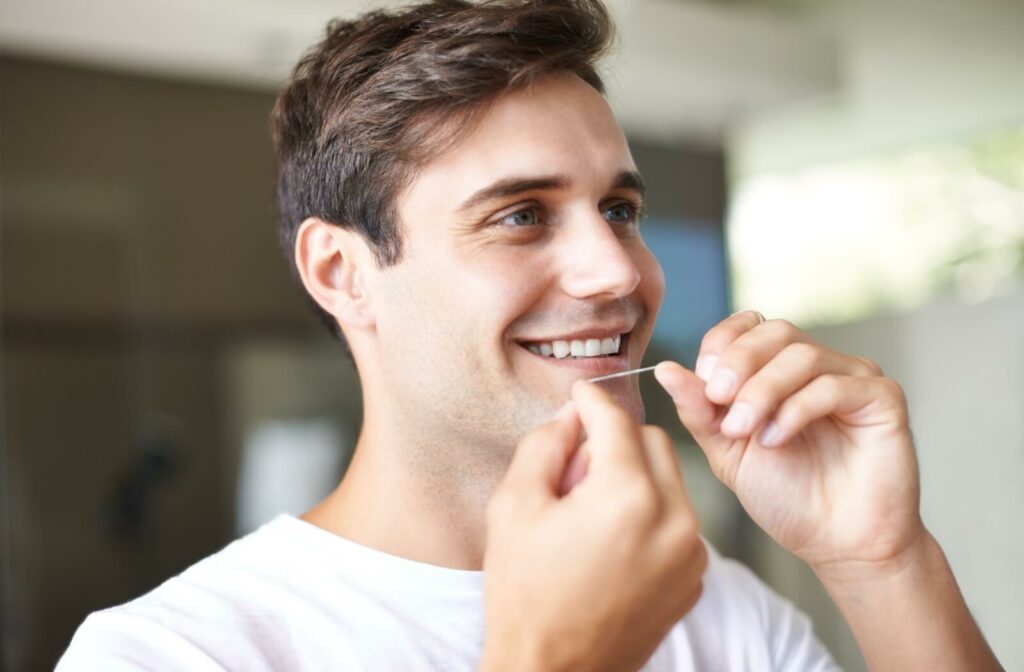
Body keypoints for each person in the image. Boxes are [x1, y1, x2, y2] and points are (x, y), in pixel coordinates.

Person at [58, 0, 1002, 670]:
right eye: (520, 215)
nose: (621, 273)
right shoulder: (173, 654)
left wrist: (880, 561)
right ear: (343, 274)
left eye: (620, 209)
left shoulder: (711, 605)